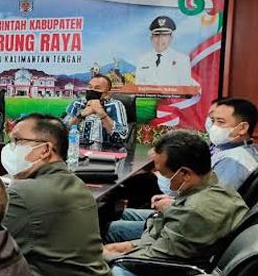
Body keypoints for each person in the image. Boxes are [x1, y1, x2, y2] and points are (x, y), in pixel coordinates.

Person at [1, 114, 126, 276]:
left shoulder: (24, 195)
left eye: (17, 141)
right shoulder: (75, 183)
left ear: (45, 150)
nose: (10, 148)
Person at [107, 98, 258, 243]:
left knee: (111, 227)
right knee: (119, 213)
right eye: (212, 120)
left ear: (242, 128)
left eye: (220, 122)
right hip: (183, 208)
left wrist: (172, 205)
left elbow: (210, 209)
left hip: (191, 225)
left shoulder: (234, 162)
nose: (213, 126)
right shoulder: (226, 150)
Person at [104, 131, 247, 276]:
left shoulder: (194, 211)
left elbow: (152, 261)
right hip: (182, 257)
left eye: (163, 174)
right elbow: (165, 242)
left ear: (185, 174)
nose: (161, 177)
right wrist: (130, 246)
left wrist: (105, 256)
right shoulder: (214, 185)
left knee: (106, 275)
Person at [63, 74, 128, 145]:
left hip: (106, 149)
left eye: (97, 88)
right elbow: (62, 130)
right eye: (90, 87)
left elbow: (123, 134)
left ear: (107, 94)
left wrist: (101, 113)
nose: (92, 90)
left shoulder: (114, 105)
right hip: (78, 148)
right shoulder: (78, 103)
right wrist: (81, 115)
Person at [135, 16, 196, 87]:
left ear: (171, 38)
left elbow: (185, 87)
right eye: (156, 35)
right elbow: (138, 86)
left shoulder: (182, 59)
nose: (160, 39)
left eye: (164, 35)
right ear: (151, 38)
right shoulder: (143, 59)